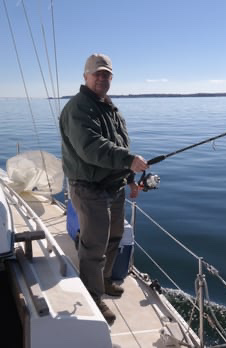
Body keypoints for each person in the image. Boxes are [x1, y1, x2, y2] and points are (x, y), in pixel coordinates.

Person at [59, 53, 148, 324]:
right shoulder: (78, 108)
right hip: (88, 187)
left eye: (106, 74)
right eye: (96, 73)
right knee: (94, 246)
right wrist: (128, 161)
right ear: (85, 76)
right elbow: (91, 148)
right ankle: (93, 298)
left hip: (113, 186)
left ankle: (106, 280)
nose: (101, 78)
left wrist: (129, 178)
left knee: (115, 238)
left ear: (111, 78)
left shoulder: (109, 107)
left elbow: (120, 145)